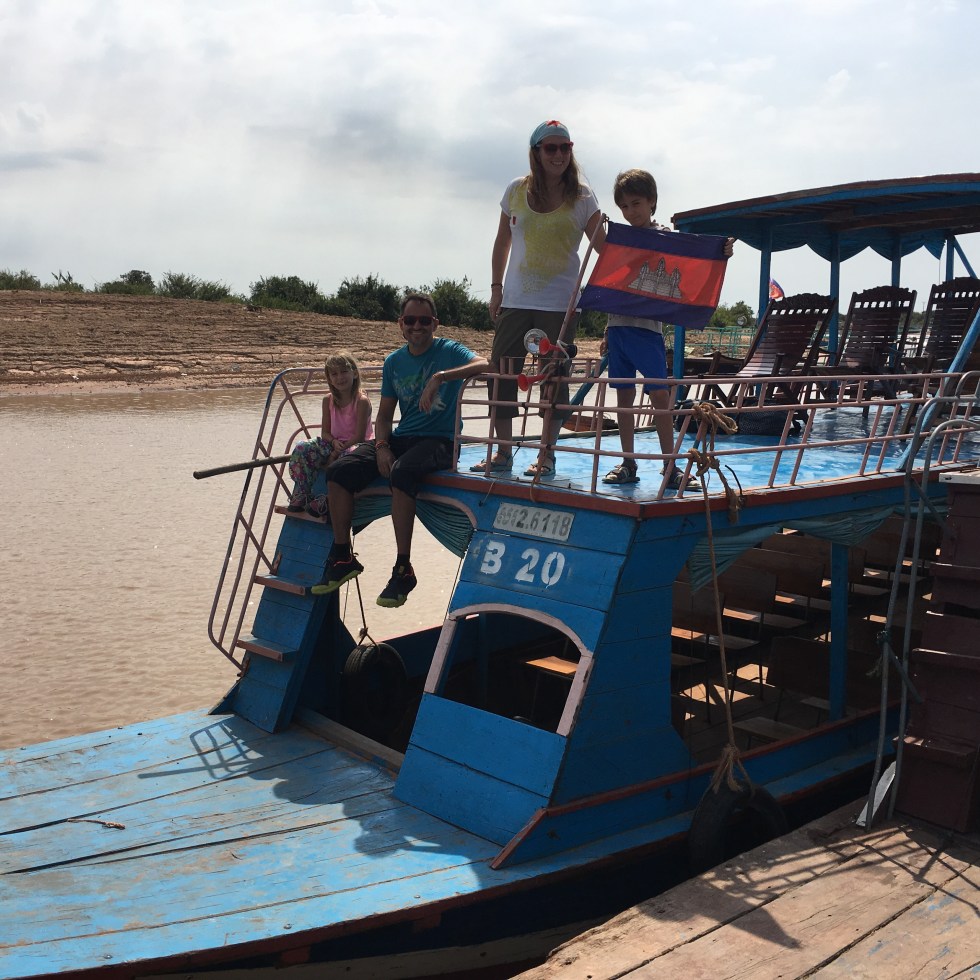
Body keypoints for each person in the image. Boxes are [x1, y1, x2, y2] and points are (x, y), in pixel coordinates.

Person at [311, 293, 488, 607]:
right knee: (338, 471)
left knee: (402, 472)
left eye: (424, 320)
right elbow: (383, 417)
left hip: (441, 440)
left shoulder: (448, 351)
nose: (417, 326)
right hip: (403, 437)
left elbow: (486, 363)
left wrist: (439, 378)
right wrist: (381, 447)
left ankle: (403, 569)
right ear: (400, 324)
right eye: (410, 320)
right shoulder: (394, 362)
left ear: (435, 323)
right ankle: (342, 556)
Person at [472, 119, 602, 478]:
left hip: (560, 305)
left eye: (565, 147)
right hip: (515, 300)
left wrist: (648, 239)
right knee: (502, 373)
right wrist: (495, 288)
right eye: (551, 148)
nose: (559, 154)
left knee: (554, 379)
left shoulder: (583, 196)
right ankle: (503, 452)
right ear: (536, 152)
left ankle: (547, 455)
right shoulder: (516, 190)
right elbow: (502, 242)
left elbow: (605, 248)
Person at [600, 168, 733, 489]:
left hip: (648, 331)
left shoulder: (663, 237)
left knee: (660, 397)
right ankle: (628, 461)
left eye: (636, 204)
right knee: (623, 398)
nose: (630, 212)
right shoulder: (621, 239)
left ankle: (670, 466)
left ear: (651, 202)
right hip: (618, 328)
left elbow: (691, 253)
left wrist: (721, 251)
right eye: (624, 207)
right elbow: (613, 283)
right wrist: (606, 331)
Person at [286, 352, 374, 517]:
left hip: (357, 446)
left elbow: (360, 436)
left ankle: (327, 500)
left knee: (348, 458)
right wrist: (333, 443)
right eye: (334, 374)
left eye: (344, 372)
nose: (340, 377)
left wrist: (336, 453)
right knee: (302, 447)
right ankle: (303, 493)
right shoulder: (328, 400)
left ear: (354, 373)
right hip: (334, 443)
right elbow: (325, 432)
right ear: (329, 379)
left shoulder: (361, 401)